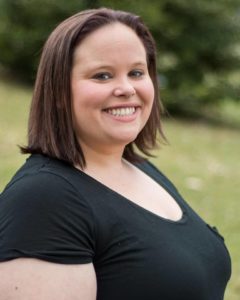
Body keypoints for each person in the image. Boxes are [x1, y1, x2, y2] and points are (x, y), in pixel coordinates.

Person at [0, 7, 231, 300]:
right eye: (102, 75)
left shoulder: (139, 168)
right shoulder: (42, 200)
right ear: (58, 92)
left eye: (136, 72)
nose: (126, 88)